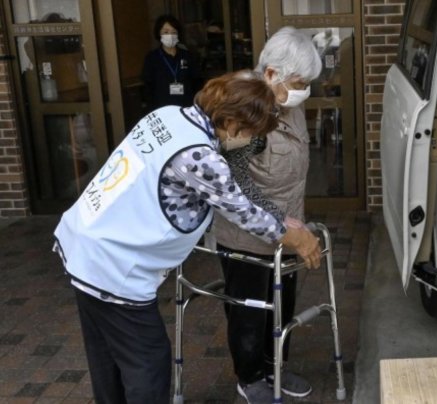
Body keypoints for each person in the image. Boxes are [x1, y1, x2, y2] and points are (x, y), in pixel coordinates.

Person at [52, 70, 322, 404]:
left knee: (107, 357)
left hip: (83, 244)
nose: (250, 141)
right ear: (233, 123)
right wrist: (295, 238)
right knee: (147, 364)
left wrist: (280, 216)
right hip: (112, 265)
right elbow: (241, 210)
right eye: (251, 132)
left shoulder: (169, 116)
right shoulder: (199, 155)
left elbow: (231, 190)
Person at [213, 26, 322, 403]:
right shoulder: (245, 108)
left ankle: (277, 367)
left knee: (282, 306)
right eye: (298, 81)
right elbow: (236, 182)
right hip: (246, 234)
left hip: (285, 229)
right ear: (272, 74)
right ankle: (251, 377)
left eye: (307, 82)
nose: (304, 89)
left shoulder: (290, 105)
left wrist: (290, 223)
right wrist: (278, 219)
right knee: (250, 312)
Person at [142, 14, 201, 110]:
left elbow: (197, 82)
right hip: (162, 109)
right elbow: (148, 88)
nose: (170, 35)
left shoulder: (187, 56)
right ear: (159, 33)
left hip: (186, 108)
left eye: (174, 32)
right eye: (166, 32)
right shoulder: (152, 58)